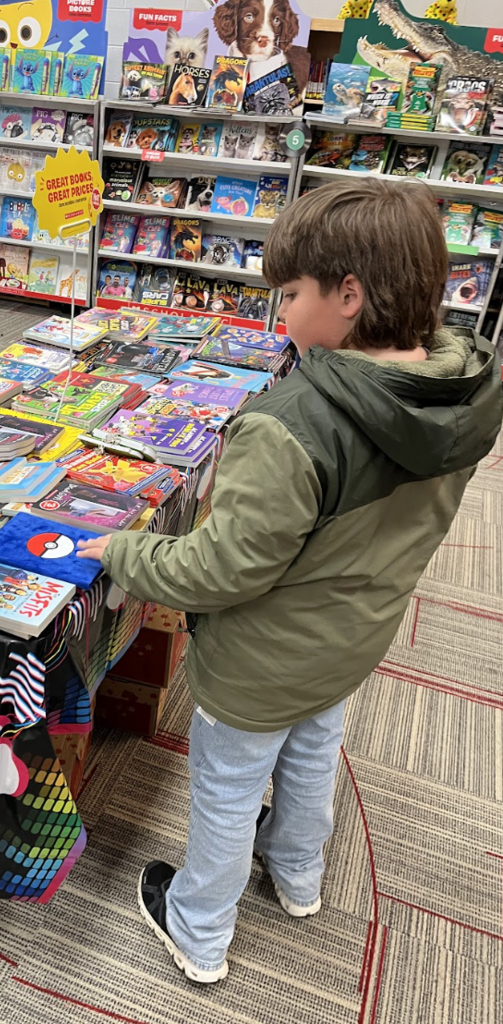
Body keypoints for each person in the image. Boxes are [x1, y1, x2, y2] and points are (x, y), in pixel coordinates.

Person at [77, 178, 503, 984]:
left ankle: (198, 932)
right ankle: (299, 878)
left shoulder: (291, 426)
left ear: (348, 295)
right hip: (352, 637)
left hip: (262, 661)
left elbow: (217, 571)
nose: (278, 312)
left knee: (229, 789)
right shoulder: (466, 386)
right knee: (313, 749)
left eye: (290, 293)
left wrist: (120, 553)